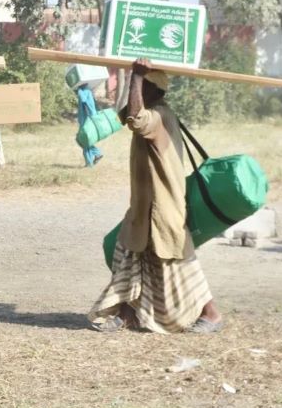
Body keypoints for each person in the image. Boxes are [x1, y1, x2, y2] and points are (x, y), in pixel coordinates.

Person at [89, 58, 223, 334]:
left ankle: (211, 313)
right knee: (128, 253)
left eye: (143, 87)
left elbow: (135, 118)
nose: (139, 91)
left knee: (178, 260)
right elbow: (126, 113)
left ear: (153, 91)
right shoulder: (151, 110)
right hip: (144, 205)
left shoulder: (159, 116)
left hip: (163, 204)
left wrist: (136, 75)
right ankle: (126, 313)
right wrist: (134, 75)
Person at [76, 83, 103, 167]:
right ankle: (90, 162)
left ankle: (95, 155)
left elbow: (84, 101)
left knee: (83, 140)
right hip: (87, 119)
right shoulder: (88, 91)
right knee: (84, 140)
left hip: (86, 120)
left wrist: (79, 91)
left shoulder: (84, 91)